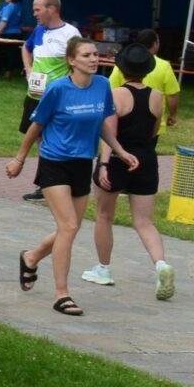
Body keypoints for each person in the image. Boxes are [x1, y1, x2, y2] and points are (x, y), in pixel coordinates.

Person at [9, 40, 133, 318]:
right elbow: (37, 124)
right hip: (54, 162)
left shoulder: (102, 86)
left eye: (95, 55)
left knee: (71, 228)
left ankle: (31, 257)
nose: (94, 59)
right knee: (68, 226)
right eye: (86, 55)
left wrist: (119, 151)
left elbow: (101, 122)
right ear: (71, 61)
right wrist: (19, 159)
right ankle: (61, 294)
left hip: (81, 162)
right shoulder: (57, 89)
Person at [79, 46, 179, 299]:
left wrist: (103, 164)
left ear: (121, 69)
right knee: (144, 222)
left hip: (118, 158)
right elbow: (155, 130)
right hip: (146, 159)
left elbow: (108, 134)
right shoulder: (157, 96)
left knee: (104, 216)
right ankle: (161, 264)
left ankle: (103, 269)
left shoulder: (115, 95)